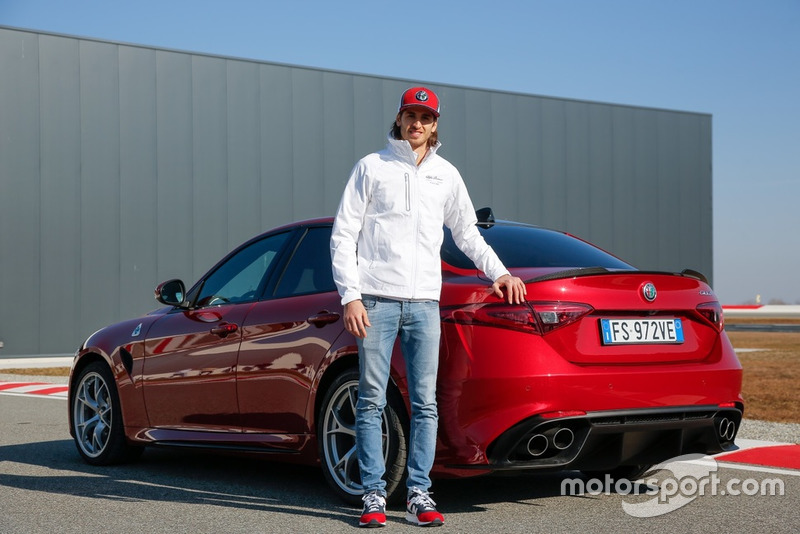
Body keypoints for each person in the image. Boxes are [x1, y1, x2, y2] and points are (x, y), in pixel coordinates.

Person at [330, 86, 526, 528]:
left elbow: (468, 233)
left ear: (435, 125)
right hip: (376, 300)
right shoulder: (371, 168)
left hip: (424, 304)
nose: (417, 124)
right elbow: (343, 235)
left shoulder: (446, 175)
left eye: (426, 117)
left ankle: (419, 492)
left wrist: (499, 272)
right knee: (370, 401)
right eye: (410, 115)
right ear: (398, 120)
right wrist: (351, 295)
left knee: (426, 403)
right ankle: (374, 495)